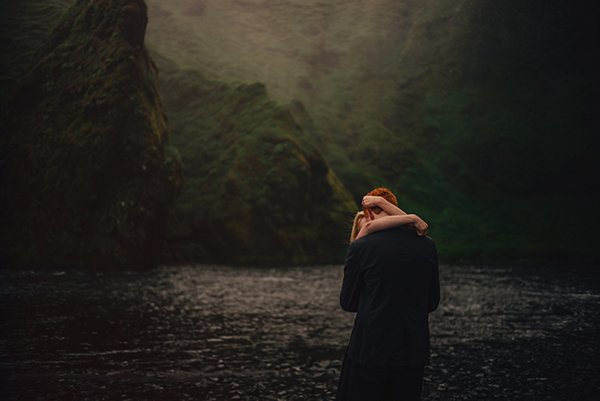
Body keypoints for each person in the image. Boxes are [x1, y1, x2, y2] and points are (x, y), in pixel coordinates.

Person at [337, 187, 440, 401]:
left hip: (371, 348)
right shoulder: (427, 245)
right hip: (413, 349)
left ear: (368, 214)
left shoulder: (361, 246)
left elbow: (347, 302)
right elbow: (432, 302)